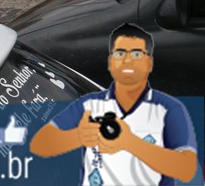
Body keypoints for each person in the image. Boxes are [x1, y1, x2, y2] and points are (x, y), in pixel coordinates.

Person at [30, 23, 197, 185]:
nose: (127, 61)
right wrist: (78, 136)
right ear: (111, 62)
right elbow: (39, 145)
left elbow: (187, 169)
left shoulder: (168, 109)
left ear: (149, 63)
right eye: (120, 54)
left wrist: (129, 142)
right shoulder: (89, 105)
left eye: (136, 54)